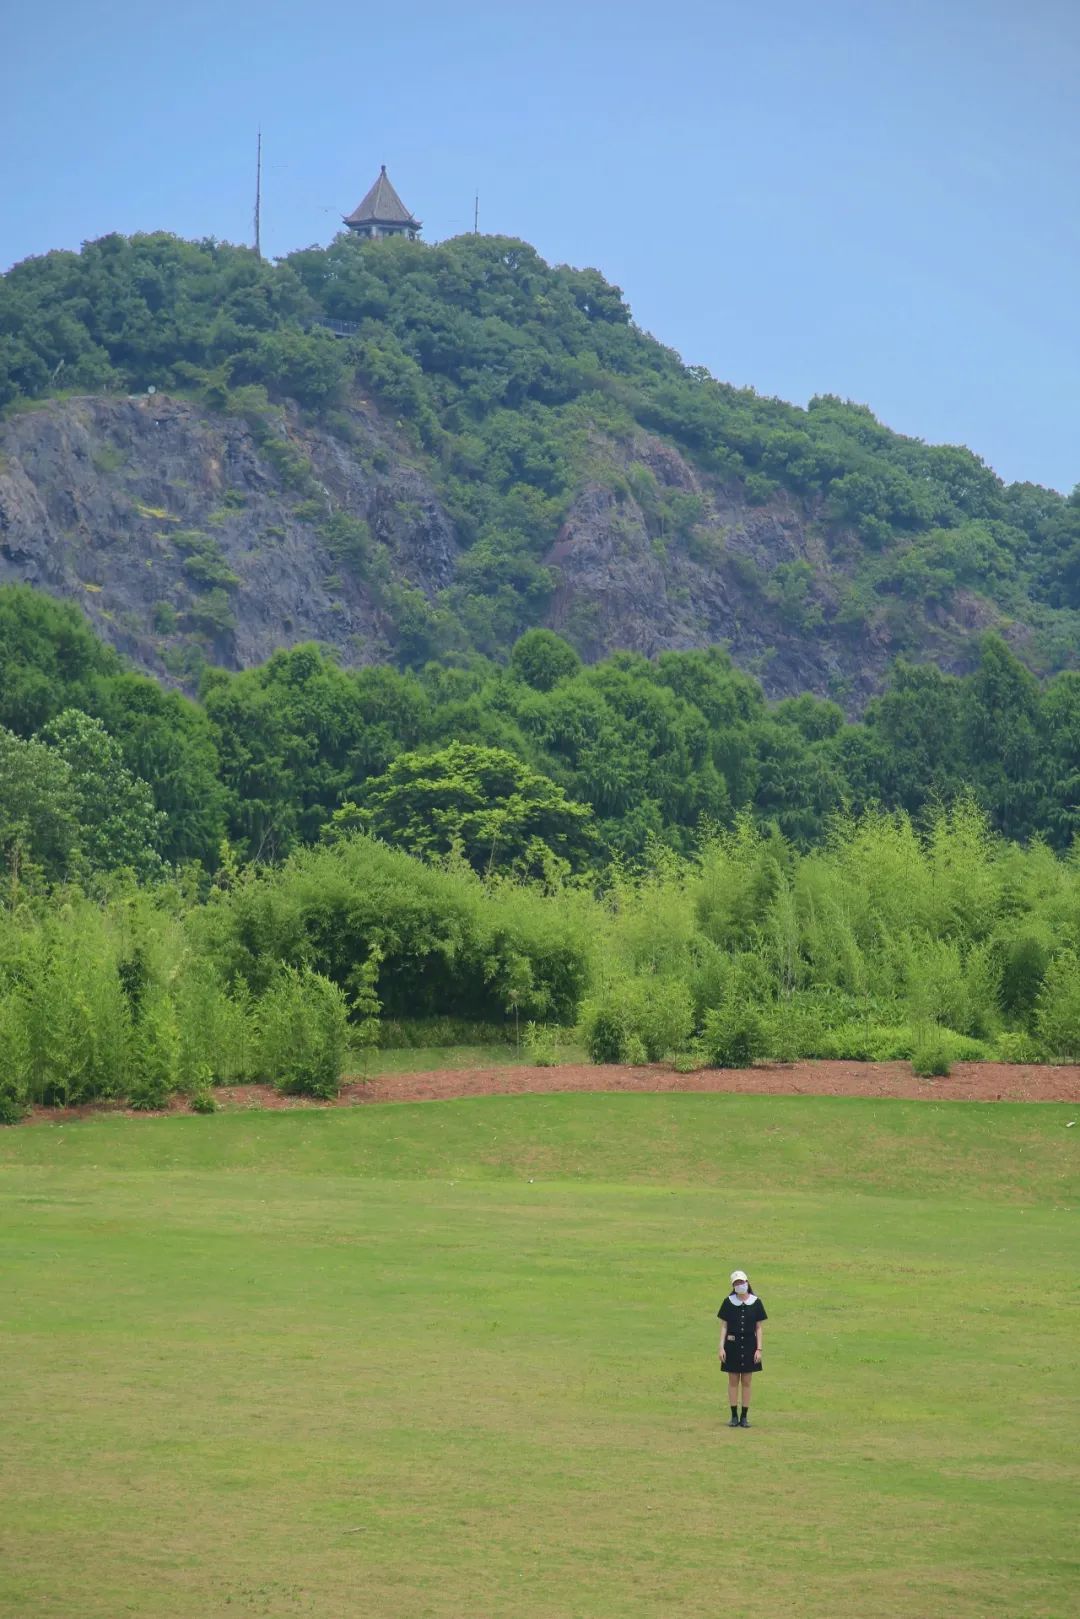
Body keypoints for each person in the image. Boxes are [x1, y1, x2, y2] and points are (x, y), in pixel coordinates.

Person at [717, 1268, 767, 1427]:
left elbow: (758, 1327)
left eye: (742, 1282)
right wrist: (721, 1347)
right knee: (732, 1380)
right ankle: (733, 1416)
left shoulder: (756, 1302)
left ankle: (744, 1416)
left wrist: (759, 1349)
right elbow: (724, 1326)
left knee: (746, 1381)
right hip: (732, 1345)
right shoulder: (728, 1302)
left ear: (747, 1282)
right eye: (736, 1283)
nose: (740, 1285)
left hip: (749, 1346)